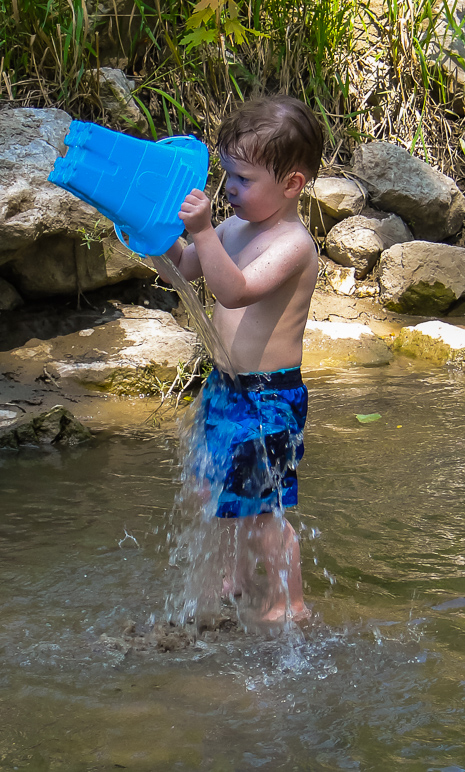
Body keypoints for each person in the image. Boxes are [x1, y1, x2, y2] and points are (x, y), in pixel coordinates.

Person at [161, 94, 324, 623]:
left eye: (243, 179)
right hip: (226, 388)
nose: (228, 188)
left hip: (268, 398)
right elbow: (185, 270)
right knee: (210, 491)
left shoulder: (293, 244)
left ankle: (288, 606)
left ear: (292, 184)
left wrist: (204, 231)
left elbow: (235, 291)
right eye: (227, 174)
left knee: (261, 514)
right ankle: (234, 581)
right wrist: (153, 232)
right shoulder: (232, 228)